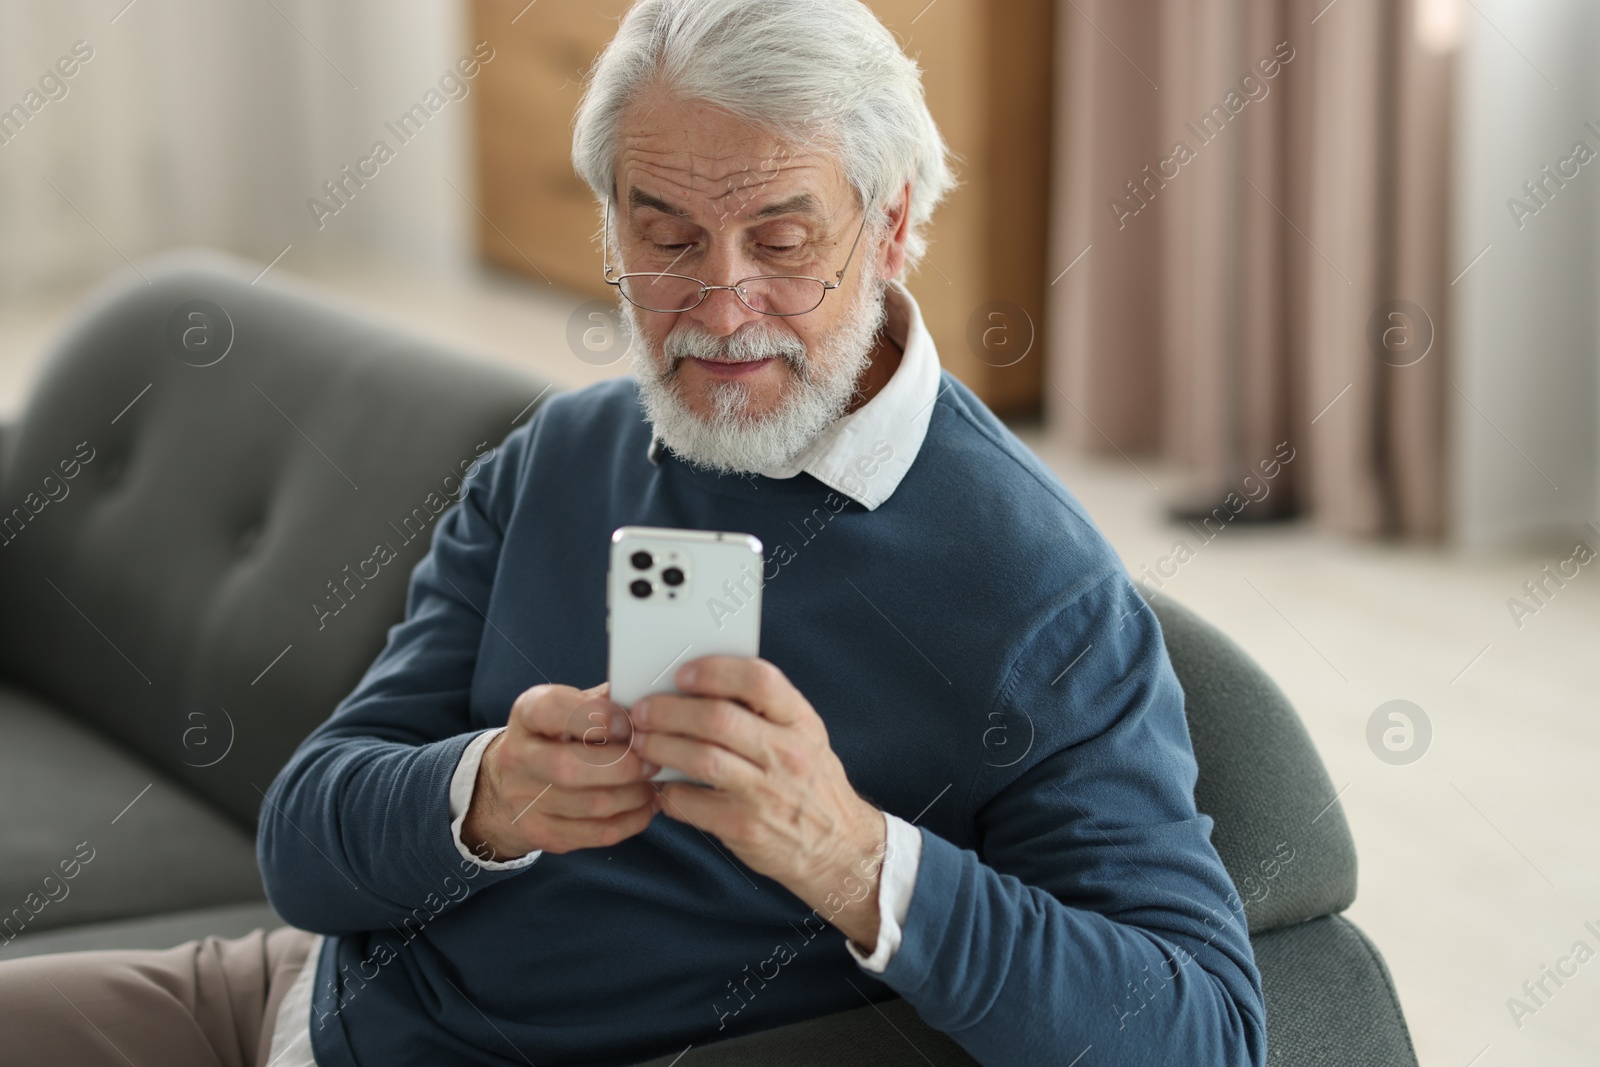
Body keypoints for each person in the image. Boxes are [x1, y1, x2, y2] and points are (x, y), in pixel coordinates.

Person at [0, 2, 1266, 1065]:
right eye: (662, 235)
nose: (718, 304)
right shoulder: (562, 455)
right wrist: (484, 795)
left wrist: (851, 855)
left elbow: (1206, 1027)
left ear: (887, 231)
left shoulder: (1034, 589)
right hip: (286, 1003)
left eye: (782, 239)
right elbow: (306, 845)